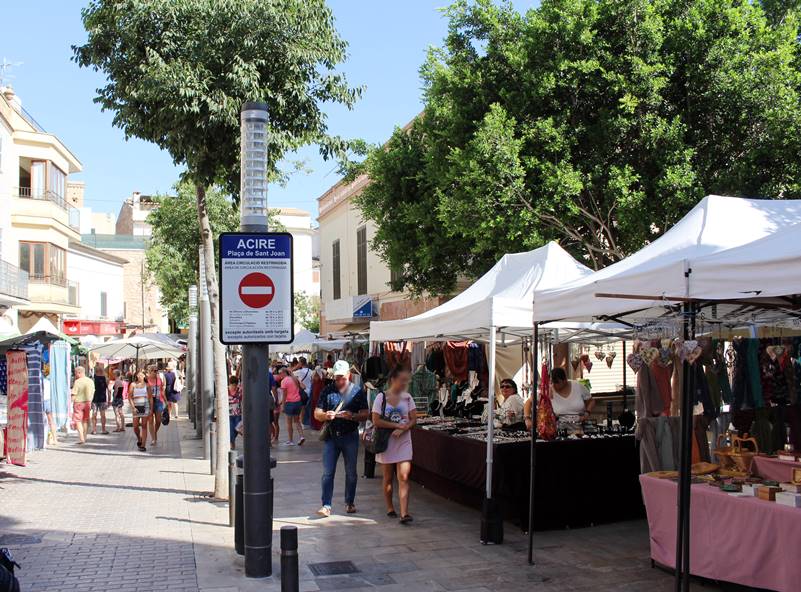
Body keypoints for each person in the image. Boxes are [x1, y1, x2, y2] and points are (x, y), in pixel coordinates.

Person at [313, 360, 369, 517]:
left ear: (349, 375)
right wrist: (325, 415)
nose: (339, 381)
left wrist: (353, 416)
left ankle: (350, 502)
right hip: (331, 436)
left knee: (351, 472)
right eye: (337, 378)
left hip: (350, 436)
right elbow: (317, 413)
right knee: (328, 472)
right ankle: (326, 505)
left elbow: (366, 414)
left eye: (342, 378)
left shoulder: (357, 392)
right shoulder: (328, 390)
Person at [371, 367, 417, 524]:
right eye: (402, 380)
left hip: (403, 441)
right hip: (386, 441)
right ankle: (390, 507)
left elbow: (413, 419)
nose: (405, 383)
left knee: (404, 476)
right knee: (388, 476)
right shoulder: (381, 397)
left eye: (406, 380)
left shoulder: (408, 398)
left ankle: (405, 513)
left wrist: (405, 427)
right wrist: (395, 427)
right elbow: (376, 420)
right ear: (393, 380)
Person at [279, 367, 305, 446]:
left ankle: (290, 440)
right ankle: (301, 436)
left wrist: (282, 405)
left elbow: (284, 395)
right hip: (298, 402)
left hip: (289, 403)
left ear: (284, 373)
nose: (280, 375)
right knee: (297, 421)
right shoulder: (294, 379)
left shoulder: (284, 381)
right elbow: (303, 387)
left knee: (289, 423)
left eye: (280, 373)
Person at [70, 366, 95, 444]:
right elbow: (93, 392)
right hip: (87, 403)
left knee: (78, 421)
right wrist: (90, 400)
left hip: (78, 403)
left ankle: (81, 438)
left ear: (79, 373)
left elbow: (74, 394)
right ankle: (84, 437)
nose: (75, 375)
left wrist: (71, 403)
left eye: (75, 373)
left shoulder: (77, 382)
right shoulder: (91, 381)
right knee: (85, 420)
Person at [129, 370, 150, 451]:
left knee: (144, 425)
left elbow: (150, 398)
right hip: (136, 407)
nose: (140, 376)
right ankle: (139, 438)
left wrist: (151, 408)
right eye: (139, 375)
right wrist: (133, 407)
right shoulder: (133, 385)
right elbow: (130, 397)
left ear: (144, 376)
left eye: (142, 375)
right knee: (135, 427)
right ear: (136, 376)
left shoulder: (147, 385)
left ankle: (143, 445)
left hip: (145, 406)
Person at [147, 365, 166, 446]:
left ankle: (154, 433)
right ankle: (153, 438)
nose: (156, 372)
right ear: (150, 371)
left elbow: (162, 391)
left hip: (158, 401)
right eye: (154, 371)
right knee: (150, 421)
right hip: (148, 401)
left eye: (157, 370)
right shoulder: (146, 380)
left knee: (158, 421)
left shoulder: (159, 380)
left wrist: (166, 401)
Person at [91, 365, 110, 435]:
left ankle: (94, 430)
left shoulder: (93, 379)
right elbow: (109, 390)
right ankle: (103, 429)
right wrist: (109, 399)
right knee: (103, 415)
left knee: (94, 414)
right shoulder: (106, 379)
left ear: (95, 371)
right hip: (103, 398)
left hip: (94, 398)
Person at [43, 373, 58, 446]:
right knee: (51, 421)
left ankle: (44, 440)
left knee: (42, 422)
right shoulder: (49, 382)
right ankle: (55, 439)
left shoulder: (38, 381)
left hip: (42, 401)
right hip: (49, 400)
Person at [228, 375, 242, 450]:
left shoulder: (239, 391)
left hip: (237, 414)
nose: (234, 387)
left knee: (237, 429)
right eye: (233, 385)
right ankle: (232, 443)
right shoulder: (226, 391)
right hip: (229, 414)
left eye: (235, 385)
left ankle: (232, 442)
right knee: (231, 430)